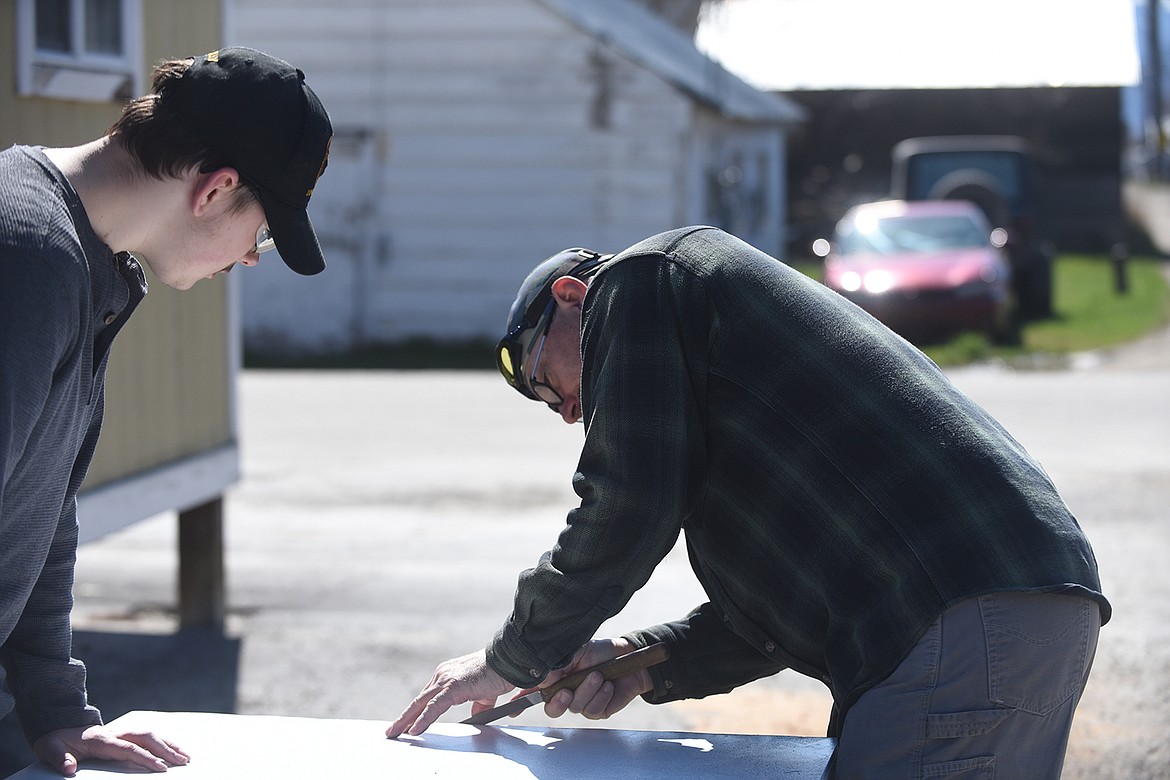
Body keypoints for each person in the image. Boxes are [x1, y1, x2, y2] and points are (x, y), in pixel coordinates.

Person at [387, 225, 1110, 778]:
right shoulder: (708, 328)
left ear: (572, 298)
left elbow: (628, 505)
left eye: (549, 384)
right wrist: (639, 659)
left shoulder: (637, 285)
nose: (570, 412)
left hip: (957, 618)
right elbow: (773, 616)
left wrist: (512, 654)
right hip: (1029, 604)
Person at [0, 47, 332, 776]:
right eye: (265, 230)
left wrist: (55, 709)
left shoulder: (82, 263)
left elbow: (41, 510)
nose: (251, 258)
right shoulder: (26, 256)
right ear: (215, 191)